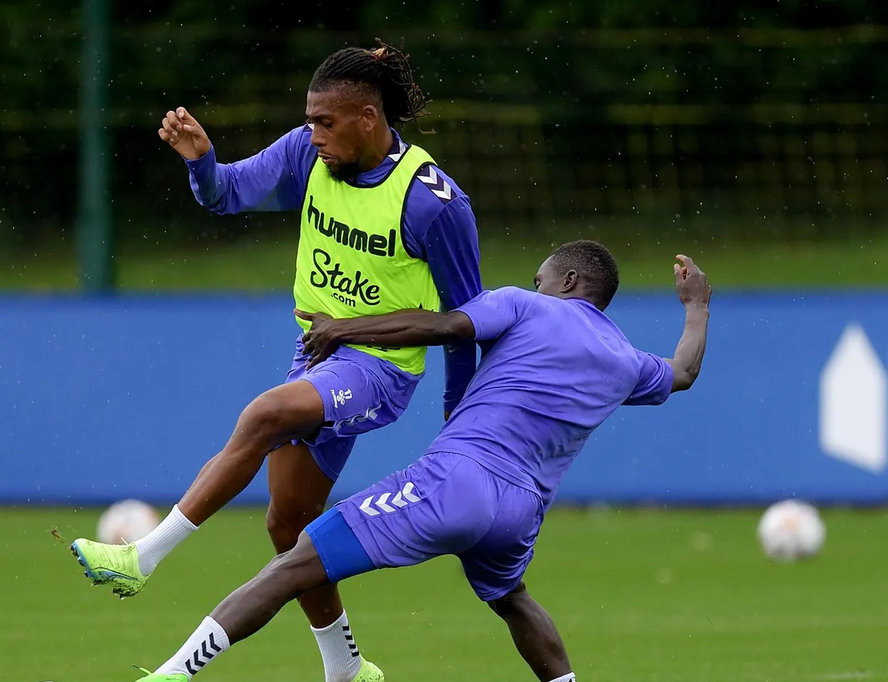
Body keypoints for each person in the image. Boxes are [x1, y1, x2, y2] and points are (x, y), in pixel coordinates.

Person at [69, 40, 482, 682]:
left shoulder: (433, 203)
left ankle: (143, 557)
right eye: (309, 119)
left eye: (326, 122)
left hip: (379, 369)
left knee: (263, 416)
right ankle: (346, 667)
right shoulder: (305, 154)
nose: (311, 133)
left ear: (369, 119)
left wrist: (461, 425)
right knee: (289, 522)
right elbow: (226, 195)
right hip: (316, 354)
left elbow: (465, 323)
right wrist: (202, 162)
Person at [120, 241, 712, 682]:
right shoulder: (624, 359)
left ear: (570, 280)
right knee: (511, 598)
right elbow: (683, 372)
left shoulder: (525, 307)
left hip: (457, 481)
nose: (533, 284)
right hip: (521, 514)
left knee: (295, 564)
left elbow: (443, 327)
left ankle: (172, 674)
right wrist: (696, 306)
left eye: (542, 277)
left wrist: (345, 329)